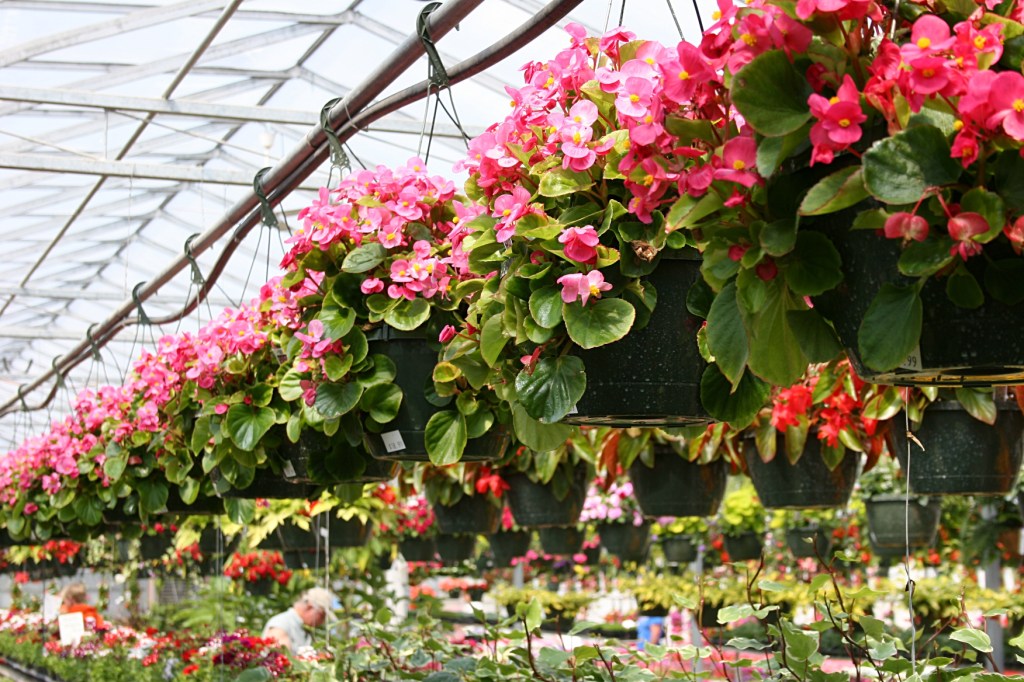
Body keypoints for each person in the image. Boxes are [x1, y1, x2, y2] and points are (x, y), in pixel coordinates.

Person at [262, 587, 335, 653]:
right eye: (322, 615)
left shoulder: (305, 629)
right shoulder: (281, 623)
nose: (322, 621)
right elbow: (280, 659)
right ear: (310, 607)